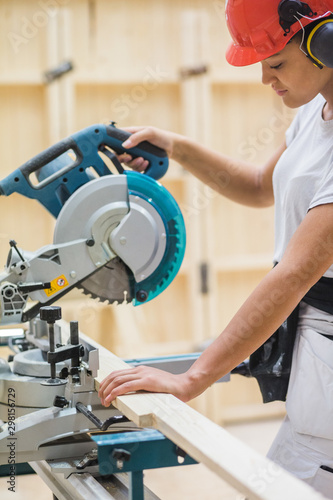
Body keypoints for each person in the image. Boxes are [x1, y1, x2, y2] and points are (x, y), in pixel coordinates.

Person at [99, 0, 333, 496]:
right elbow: (254, 185)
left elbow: (295, 274)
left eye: (275, 64)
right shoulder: (317, 109)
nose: (266, 80)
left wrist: (191, 379)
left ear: (327, 42)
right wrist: (176, 146)